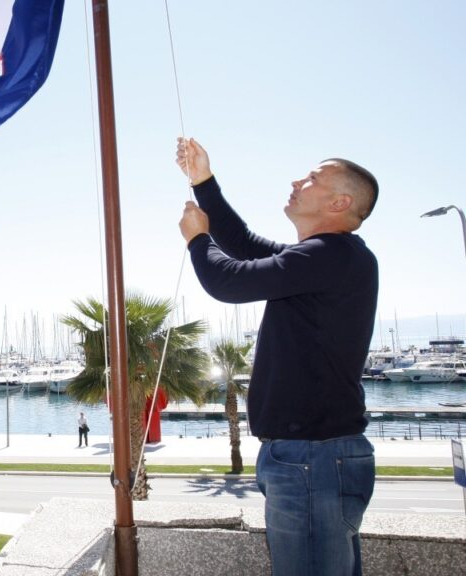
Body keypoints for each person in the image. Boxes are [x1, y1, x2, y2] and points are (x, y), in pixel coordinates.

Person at [176, 137, 379, 576]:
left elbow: (229, 281)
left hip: (313, 458)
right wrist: (203, 181)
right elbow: (243, 243)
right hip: (313, 456)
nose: (296, 181)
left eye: (312, 179)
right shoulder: (327, 258)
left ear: (340, 202)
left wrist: (197, 240)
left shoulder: (331, 255)